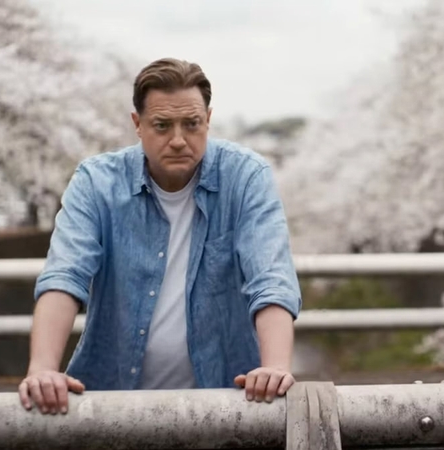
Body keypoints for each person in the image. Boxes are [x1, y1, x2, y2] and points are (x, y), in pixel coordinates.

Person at [17, 58, 302, 415]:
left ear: (208, 119)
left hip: (230, 400)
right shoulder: (97, 182)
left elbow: (271, 277)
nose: (178, 140)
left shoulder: (246, 177)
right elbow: (65, 274)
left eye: (192, 124)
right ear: (137, 124)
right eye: (162, 125)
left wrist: (275, 367)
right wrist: (43, 370)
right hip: (112, 401)